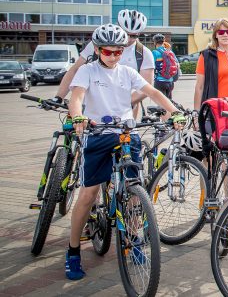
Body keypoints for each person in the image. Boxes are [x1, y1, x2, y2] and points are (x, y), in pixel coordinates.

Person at [64, 24, 185, 280]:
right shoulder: (87, 71)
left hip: (126, 135)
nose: (113, 56)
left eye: (118, 52)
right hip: (97, 135)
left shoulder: (128, 72)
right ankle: (73, 251)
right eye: (108, 52)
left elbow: (152, 91)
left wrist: (174, 112)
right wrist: (78, 117)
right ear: (97, 50)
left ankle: (134, 239)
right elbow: (77, 97)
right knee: (88, 194)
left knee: (132, 193)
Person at [54, 9, 154, 108]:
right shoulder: (98, 44)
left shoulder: (144, 53)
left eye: (133, 36)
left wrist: (121, 104)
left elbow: (145, 88)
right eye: (125, 33)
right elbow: (74, 70)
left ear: (139, 34)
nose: (128, 38)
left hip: (125, 107)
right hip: (91, 104)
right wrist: (59, 97)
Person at [194, 18, 228, 110]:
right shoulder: (206, 56)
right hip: (215, 108)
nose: (225, 35)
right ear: (216, 35)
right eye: (221, 32)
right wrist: (196, 111)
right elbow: (199, 86)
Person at [151, 33, 178, 99]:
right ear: (164, 42)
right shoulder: (170, 52)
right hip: (170, 82)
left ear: (155, 42)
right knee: (169, 104)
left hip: (160, 81)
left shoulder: (155, 52)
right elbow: (177, 65)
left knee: (161, 105)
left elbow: (151, 66)